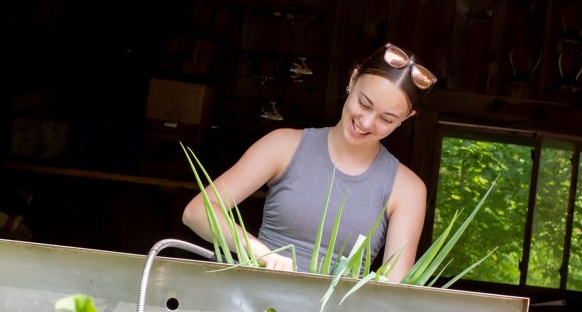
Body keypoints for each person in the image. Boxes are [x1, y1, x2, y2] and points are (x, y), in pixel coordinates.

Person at [181, 43, 436, 283]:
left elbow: (395, 287)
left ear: (406, 118)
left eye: (387, 119)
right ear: (352, 80)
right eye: (364, 103)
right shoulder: (283, 145)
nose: (367, 122)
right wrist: (259, 251)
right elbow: (197, 211)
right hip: (256, 302)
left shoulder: (408, 189)